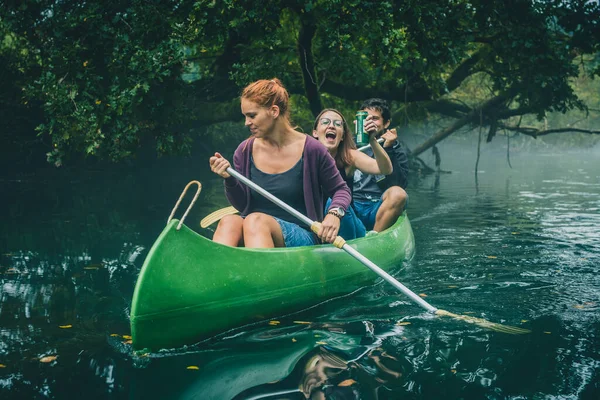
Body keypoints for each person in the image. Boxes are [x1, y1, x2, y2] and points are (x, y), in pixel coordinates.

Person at [209, 78, 351, 248]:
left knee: (256, 221)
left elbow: (341, 190)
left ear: (274, 111)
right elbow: (241, 205)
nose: (247, 122)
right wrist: (229, 179)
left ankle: (262, 274)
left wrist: (334, 214)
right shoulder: (244, 151)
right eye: (245, 116)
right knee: (228, 222)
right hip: (253, 230)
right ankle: (218, 273)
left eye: (252, 115)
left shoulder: (313, 149)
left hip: (302, 234)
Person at [311, 108, 393, 239]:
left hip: (350, 226)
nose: (331, 126)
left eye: (338, 124)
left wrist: (372, 141)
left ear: (342, 135)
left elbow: (385, 169)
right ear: (315, 132)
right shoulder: (305, 156)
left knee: (333, 201)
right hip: (317, 225)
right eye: (325, 122)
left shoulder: (349, 156)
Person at [352, 98, 409, 233]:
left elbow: (399, 184)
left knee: (398, 194)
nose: (370, 123)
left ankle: (374, 237)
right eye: (366, 118)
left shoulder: (395, 148)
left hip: (379, 207)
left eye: (375, 119)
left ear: (386, 123)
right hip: (352, 207)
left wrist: (388, 149)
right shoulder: (348, 145)